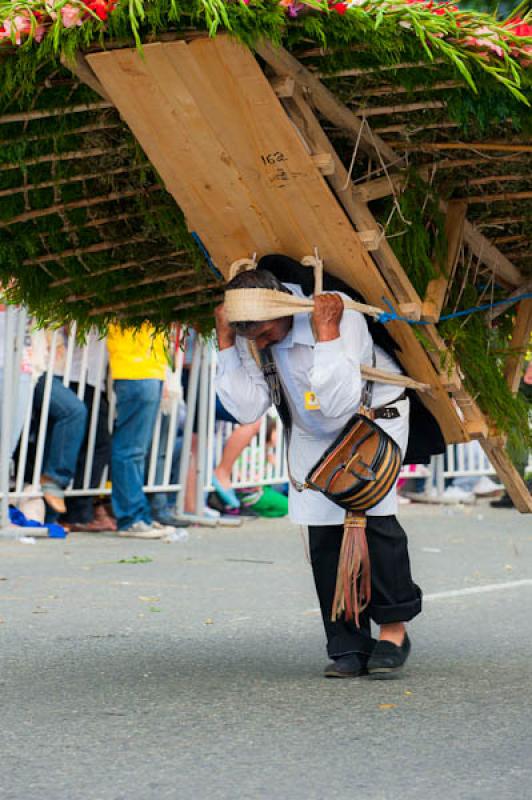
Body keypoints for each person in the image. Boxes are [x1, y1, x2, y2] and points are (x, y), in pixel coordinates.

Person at [215, 262, 422, 679]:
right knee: (323, 536)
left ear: (281, 306)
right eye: (250, 335)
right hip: (312, 430)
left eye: (266, 332)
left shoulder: (337, 310)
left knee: (374, 520)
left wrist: (327, 334)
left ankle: (394, 631)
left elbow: (341, 403)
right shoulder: (247, 327)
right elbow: (247, 408)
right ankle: (347, 642)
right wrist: (225, 344)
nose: (261, 341)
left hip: (371, 418)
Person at [107, 323, 179, 539]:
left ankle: (139, 515)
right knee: (131, 449)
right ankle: (131, 518)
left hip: (148, 368)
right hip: (134, 369)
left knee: (136, 450)